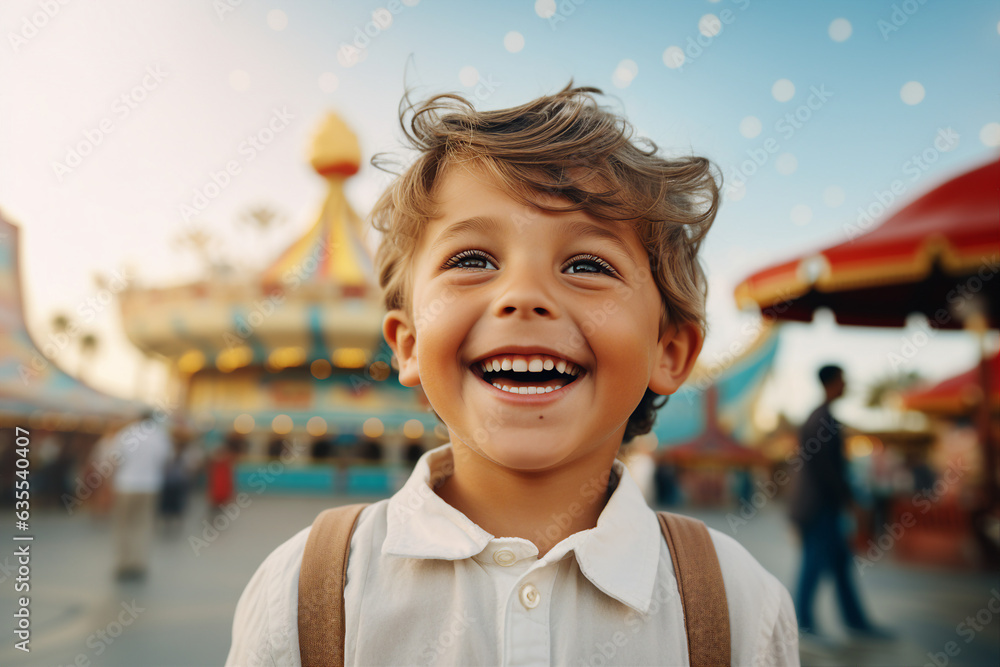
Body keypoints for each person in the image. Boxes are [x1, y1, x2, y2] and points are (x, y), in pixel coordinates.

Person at [226, 84, 799, 666]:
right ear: (408, 344)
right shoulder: (305, 590)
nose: (523, 296)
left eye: (586, 265)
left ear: (669, 351)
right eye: (472, 261)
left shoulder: (739, 606)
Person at [789, 365, 894, 640]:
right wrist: (850, 501)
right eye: (843, 380)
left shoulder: (821, 417)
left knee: (839, 565)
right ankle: (803, 623)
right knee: (814, 565)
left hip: (821, 505)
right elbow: (826, 470)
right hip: (819, 506)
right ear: (832, 382)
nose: (846, 385)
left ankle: (855, 622)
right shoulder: (822, 419)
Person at [108, 410, 173, 581]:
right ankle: (138, 563)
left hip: (126, 485)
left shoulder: (127, 433)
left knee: (124, 525)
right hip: (150, 485)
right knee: (143, 524)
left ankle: (123, 562)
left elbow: (115, 458)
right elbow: (166, 460)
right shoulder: (159, 436)